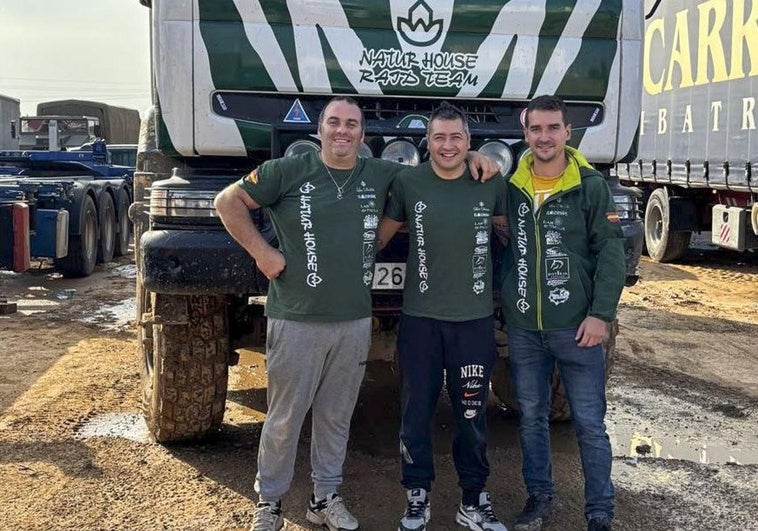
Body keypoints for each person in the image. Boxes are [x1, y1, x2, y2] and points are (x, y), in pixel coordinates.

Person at [213, 96, 499, 531]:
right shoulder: (287, 170)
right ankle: (269, 503)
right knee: (285, 416)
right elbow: (227, 201)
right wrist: (263, 252)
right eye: (334, 123)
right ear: (321, 130)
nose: (342, 131)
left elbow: (440, 170)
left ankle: (324, 498)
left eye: (351, 125)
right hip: (297, 315)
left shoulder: (382, 173)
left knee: (335, 416)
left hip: (353, 319)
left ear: (363, 136)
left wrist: (473, 153)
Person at [377, 102, 509, 531]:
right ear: (427, 142)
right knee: (416, 410)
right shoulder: (408, 183)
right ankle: (417, 496)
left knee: (472, 412)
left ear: (469, 143)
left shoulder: (491, 183)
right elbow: (376, 240)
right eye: (439, 137)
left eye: (457, 138)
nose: (448, 145)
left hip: (473, 320)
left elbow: (513, 235)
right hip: (421, 320)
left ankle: (473, 499)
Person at [499, 95, 626, 531]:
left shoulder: (589, 186)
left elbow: (610, 252)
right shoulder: (511, 187)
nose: (545, 137)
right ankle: (539, 499)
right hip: (524, 329)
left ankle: (599, 511)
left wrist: (601, 314)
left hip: (577, 328)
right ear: (525, 134)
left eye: (553, 128)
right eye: (536, 129)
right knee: (531, 418)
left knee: (589, 424)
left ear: (568, 133)